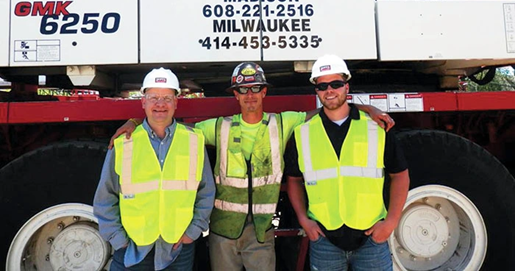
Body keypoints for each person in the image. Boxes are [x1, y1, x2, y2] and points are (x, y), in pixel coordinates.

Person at [109, 62, 394, 271]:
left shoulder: (282, 123)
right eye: (243, 90)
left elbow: (328, 109)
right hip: (223, 233)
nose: (250, 95)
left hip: (261, 232)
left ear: (264, 91)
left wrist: (368, 109)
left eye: (255, 88)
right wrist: (134, 122)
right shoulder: (218, 127)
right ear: (235, 94)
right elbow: (170, 125)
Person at [285, 55, 409, 271]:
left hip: (371, 239)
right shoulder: (302, 132)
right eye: (323, 86)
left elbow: (399, 175)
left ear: (346, 86)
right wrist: (304, 220)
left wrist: (390, 223)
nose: (330, 90)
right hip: (325, 240)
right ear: (316, 90)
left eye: (336, 84)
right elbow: (294, 180)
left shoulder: (377, 128)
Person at [94, 68, 215, 271]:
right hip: (133, 249)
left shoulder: (194, 140)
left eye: (167, 98)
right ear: (143, 102)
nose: (160, 104)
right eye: (153, 97)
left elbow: (206, 192)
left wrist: (192, 232)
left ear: (176, 102)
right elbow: (105, 197)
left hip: (177, 249)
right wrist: (118, 239)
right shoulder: (124, 143)